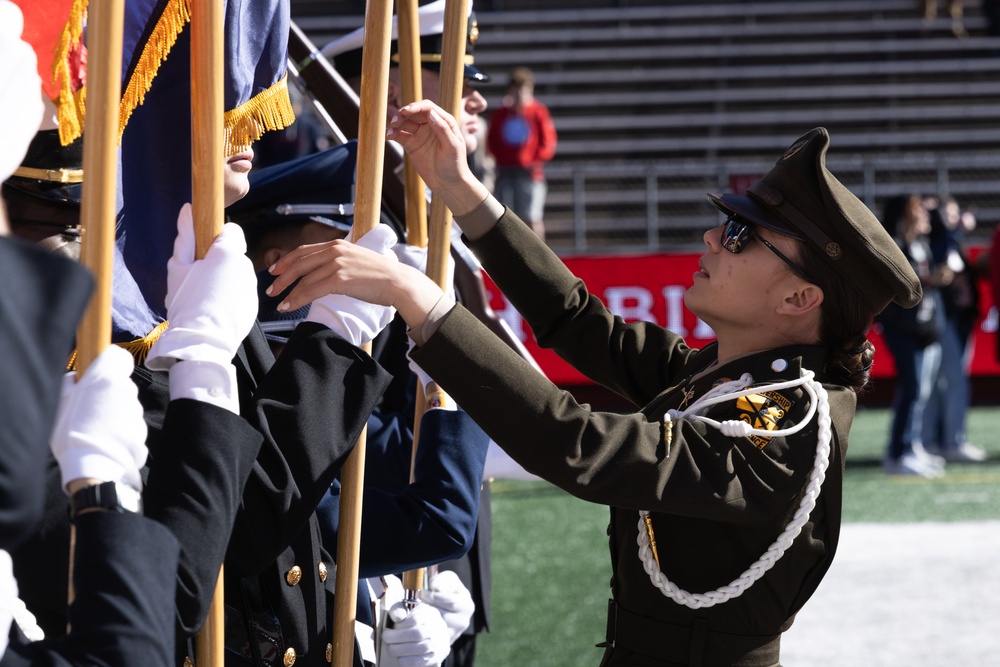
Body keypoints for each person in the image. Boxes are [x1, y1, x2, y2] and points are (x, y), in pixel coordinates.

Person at [266, 103, 923, 666]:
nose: (713, 237)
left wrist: (419, 300)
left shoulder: (777, 426)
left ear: (799, 296)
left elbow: (575, 442)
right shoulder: (729, 376)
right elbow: (581, 323)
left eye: (741, 234)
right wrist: (459, 188)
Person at [324, 7, 496, 664]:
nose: (476, 95)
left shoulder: (431, 214)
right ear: (391, 92)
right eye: (448, 70)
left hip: (439, 564)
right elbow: (356, 419)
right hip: (384, 566)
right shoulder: (366, 221)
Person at [877, 194, 949, 478]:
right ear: (905, 215)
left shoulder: (920, 244)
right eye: (918, 209)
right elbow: (896, 290)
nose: (925, 215)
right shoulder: (895, 245)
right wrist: (928, 281)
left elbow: (944, 234)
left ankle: (911, 444)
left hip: (922, 328)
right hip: (903, 329)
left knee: (921, 391)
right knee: (912, 389)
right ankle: (898, 452)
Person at [924, 196, 986, 462]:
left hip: (957, 319)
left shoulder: (950, 239)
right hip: (945, 319)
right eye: (948, 215)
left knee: (946, 383)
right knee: (951, 382)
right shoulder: (941, 239)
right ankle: (950, 441)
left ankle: (939, 440)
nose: (955, 218)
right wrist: (957, 229)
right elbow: (942, 255)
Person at [485, 66, 557, 241]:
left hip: (530, 174)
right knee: (506, 219)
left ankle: (540, 259)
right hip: (506, 172)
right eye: (517, 89)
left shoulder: (538, 112)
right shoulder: (501, 114)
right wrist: (501, 160)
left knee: (532, 217)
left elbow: (548, 142)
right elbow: (492, 140)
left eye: (525, 89)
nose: (520, 94)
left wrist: (534, 161)